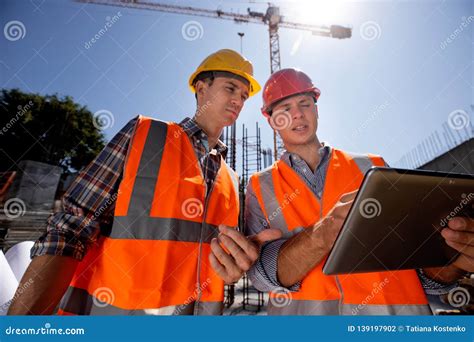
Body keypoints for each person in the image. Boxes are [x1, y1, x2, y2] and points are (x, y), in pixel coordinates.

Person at [8, 49, 280, 316]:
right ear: (201, 88)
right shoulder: (146, 134)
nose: (238, 101)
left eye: (244, 96)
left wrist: (239, 261)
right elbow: (70, 230)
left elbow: (218, 261)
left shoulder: (231, 180)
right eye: (231, 88)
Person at [245, 68, 473, 315]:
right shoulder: (261, 185)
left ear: (316, 109)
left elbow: (417, 269)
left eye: (304, 103)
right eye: (285, 109)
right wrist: (322, 235)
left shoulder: (371, 166)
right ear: (271, 120)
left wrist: (456, 263)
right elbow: (260, 276)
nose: (298, 114)